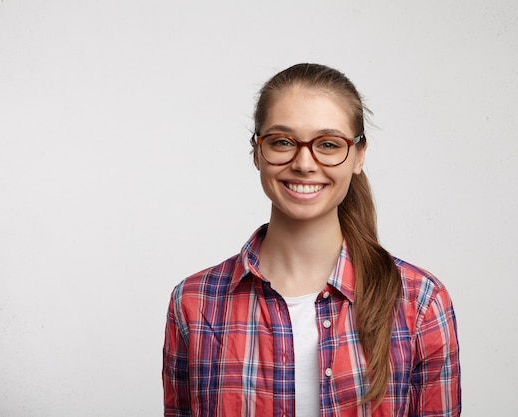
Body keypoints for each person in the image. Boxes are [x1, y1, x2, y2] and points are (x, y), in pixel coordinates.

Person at [162, 63, 461, 416]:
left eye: (329, 144)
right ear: (257, 152)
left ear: (358, 155)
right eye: (282, 142)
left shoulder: (419, 302)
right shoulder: (194, 304)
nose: (304, 163)